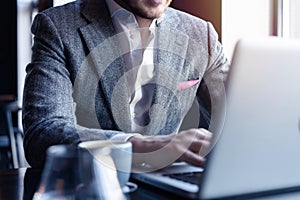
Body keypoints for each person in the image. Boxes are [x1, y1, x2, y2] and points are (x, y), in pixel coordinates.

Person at [23, 0, 229, 169]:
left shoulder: (202, 34)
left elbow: (241, 119)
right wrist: (144, 146)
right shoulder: (58, 27)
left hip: (168, 188)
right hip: (90, 187)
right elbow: (43, 134)